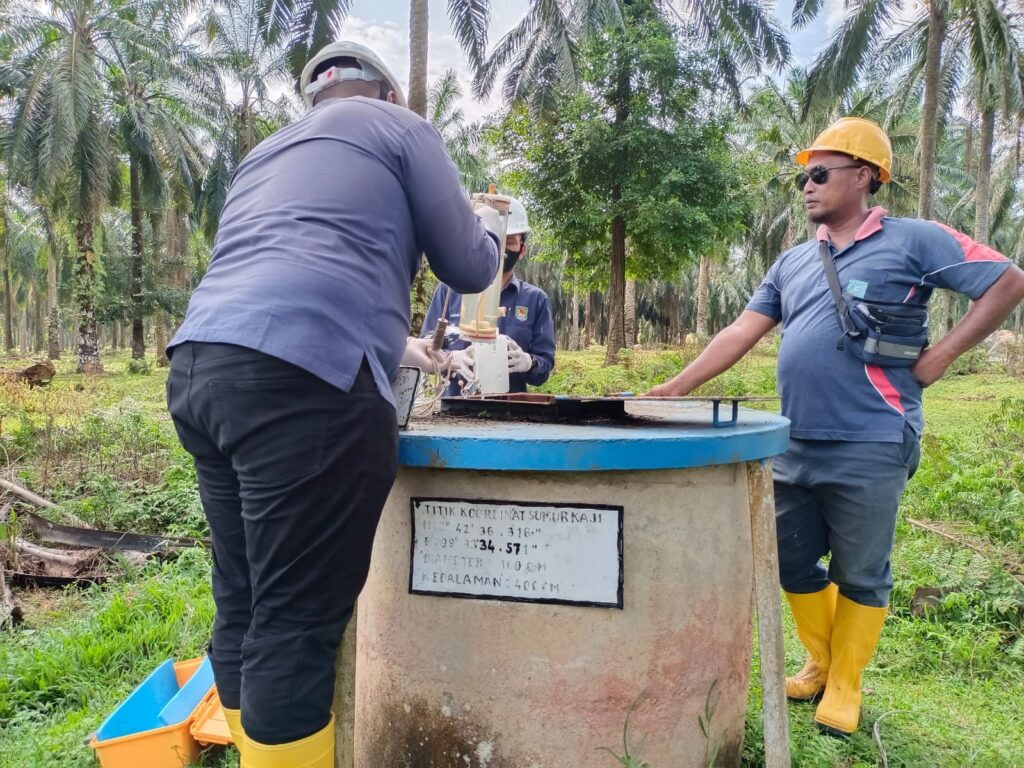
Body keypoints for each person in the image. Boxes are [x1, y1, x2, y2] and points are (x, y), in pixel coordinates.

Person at [165, 41, 499, 767]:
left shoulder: (265, 154)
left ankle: (256, 749)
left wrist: (399, 346)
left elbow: (292, 272)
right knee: (296, 622)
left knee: (245, 600)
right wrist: (492, 230)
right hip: (304, 389)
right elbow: (469, 265)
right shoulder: (399, 128)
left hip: (202, 368)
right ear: (386, 94)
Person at [647, 117, 1024, 737]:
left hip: (872, 437)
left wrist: (943, 356)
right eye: (804, 177)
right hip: (792, 440)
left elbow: (1006, 280)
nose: (807, 187)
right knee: (789, 563)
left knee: (861, 570)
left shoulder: (915, 240)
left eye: (820, 174)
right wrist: (676, 386)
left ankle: (846, 684)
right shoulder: (795, 261)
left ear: (866, 177)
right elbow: (742, 330)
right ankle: (821, 662)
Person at [421, 196, 555, 393]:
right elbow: (426, 348)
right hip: (455, 413)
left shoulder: (535, 300)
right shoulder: (450, 289)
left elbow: (544, 366)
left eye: (509, 241)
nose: (500, 249)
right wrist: (451, 359)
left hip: (513, 415)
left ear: (522, 249)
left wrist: (529, 363)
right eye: (493, 239)